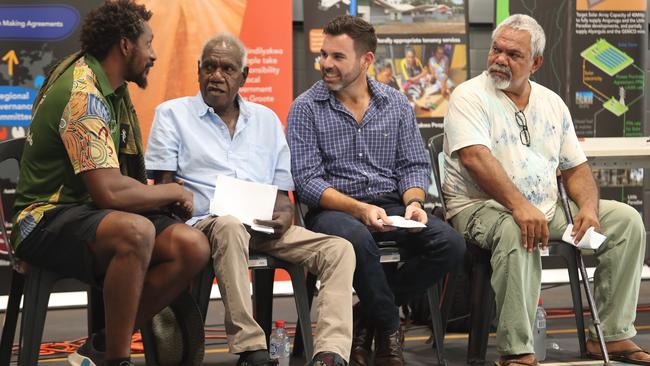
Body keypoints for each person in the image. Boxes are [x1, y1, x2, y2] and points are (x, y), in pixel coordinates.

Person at [11, 1, 210, 366]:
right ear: (125, 45)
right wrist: (174, 190)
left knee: (192, 245)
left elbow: (108, 192)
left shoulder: (113, 90)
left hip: (88, 212)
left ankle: (98, 347)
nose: (153, 55)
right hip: (43, 219)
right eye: (148, 44)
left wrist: (157, 196)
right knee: (135, 232)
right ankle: (117, 359)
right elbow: (110, 191)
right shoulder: (83, 94)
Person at [443, 14, 649, 366]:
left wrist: (588, 208)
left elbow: (576, 167)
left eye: (513, 54)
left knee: (627, 222)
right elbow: (476, 158)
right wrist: (520, 205)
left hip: (546, 207)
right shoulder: (469, 96)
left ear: (535, 62)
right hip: (477, 206)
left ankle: (613, 335)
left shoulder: (552, 103)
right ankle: (517, 350)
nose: (499, 59)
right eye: (496, 50)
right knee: (516, 227)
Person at [145, 33, 356, 366]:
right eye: (209, 67)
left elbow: (282, 196)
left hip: (261, 224)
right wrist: (176, 199)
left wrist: (284, 218)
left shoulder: (266, 120)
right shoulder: (172, 115)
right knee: (228, 226)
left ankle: (330, 353)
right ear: (198, 70)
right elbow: (162, 187)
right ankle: (250, 346)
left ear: (243, 77)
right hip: (205, 226)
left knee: (338, 249)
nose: (216, 75)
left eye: (227, 68)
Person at [287, 15, 465, 366]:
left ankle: (365, 316)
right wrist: (358, 209)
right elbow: (307, 181)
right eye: (324, 55)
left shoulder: (395, 104)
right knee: (357, 239)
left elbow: (414, 166)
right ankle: (387, 329)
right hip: (333, 211)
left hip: (392, 205)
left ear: (366, 60)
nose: (326, 64)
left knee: (451, 244)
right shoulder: (305, 108)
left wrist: (414, 202)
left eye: (338, 57)